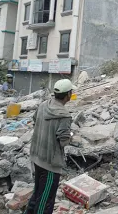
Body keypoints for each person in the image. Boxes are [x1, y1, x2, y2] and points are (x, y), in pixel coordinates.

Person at [26, 79, 76, 214]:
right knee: (45, 200)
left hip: (37, 157)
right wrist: (71, 135)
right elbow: (63, 141)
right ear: (68, 95)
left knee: (37, 193)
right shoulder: (64, 115)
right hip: (50, 164)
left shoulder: (43, 105)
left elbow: (35, 119)